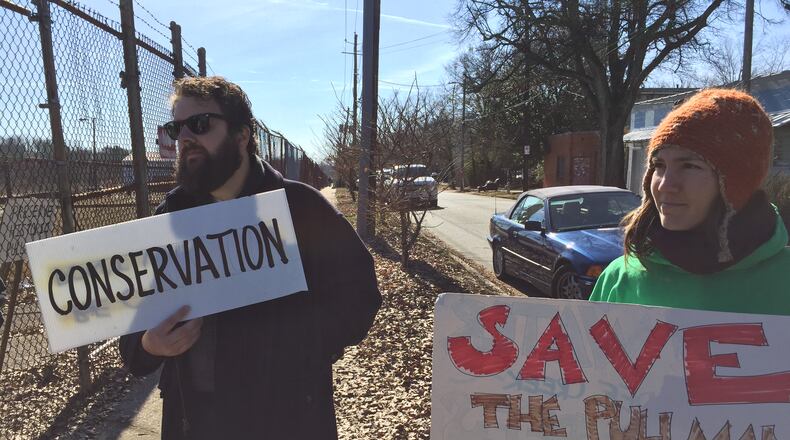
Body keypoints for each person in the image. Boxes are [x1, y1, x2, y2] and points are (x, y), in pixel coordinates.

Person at [118, 76, 382, 439]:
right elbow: (132, 341)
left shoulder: (301, 210)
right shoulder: (169, 220)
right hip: (197, 422)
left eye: (200, 124)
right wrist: (151, 344)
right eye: (175, 128)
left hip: (287, 417)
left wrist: (298, 346)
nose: (185, 139)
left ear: (242, 135)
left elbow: (359, 297)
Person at [590, 88, 790, 315]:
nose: (665, 185)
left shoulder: (784, 280)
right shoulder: (621, 278)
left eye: (690, 166)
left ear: (738, 182)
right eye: (659, 166)